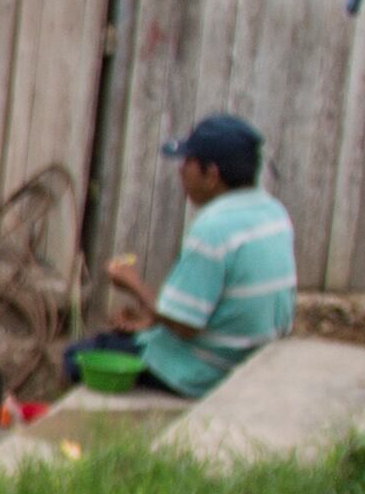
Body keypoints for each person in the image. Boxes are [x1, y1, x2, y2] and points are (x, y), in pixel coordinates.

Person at [73, 112, 297, 398]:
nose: (181, 171)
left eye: (188, 163)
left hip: (208, 371)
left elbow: (185, 324)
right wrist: (152, 322)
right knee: (131, 337)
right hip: (252, 356)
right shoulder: (273, 212)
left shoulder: (214, 228)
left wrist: (132, 283)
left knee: (78, 357)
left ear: (212, 174)